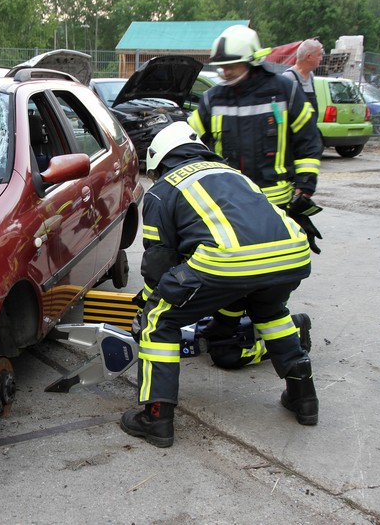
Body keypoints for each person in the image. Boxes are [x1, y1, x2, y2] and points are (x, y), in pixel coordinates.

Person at [120, 122, 318, 448]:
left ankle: (156, 418)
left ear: (158, 161)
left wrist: (151, 301)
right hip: (292, 254)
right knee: (271, 313)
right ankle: (304, 398)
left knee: (159, 322)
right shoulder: (234, 175)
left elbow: (159, 262)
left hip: (228, 261)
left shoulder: (162, 189)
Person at [188, 25, 322, 207]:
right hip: (228, 204)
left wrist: (305, 186)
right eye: (222, 66)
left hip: (275, 206)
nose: (226, 72)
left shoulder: (285, 92)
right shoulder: (213, 99)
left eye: (231, 66)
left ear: (251, 61)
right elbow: (188, 140)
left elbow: (308, 141)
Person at [282, 38, 324, 115]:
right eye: (319, 55)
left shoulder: (310, 75)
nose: (321, 58)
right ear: (309, 57)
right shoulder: (289, 77)